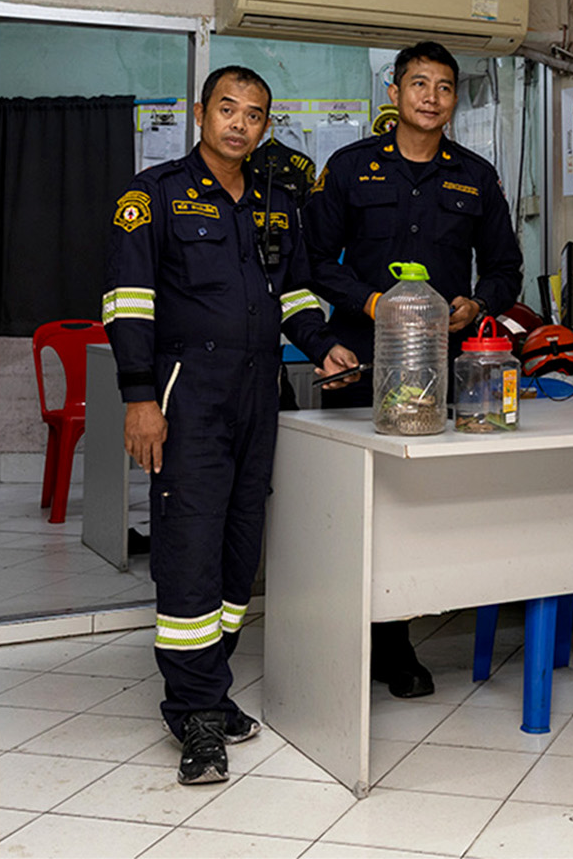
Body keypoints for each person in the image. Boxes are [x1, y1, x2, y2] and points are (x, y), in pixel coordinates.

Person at [102, 66, 357, 785]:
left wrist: (322, 345)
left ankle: (203, 687)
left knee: (241, 549)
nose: (239, 123)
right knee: (188, 549)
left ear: (266, 126)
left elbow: (298, 289)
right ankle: (197, 713)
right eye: (227, 109)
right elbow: (128, 303)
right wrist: (139, 397)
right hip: (189, 392)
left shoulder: (279, 201)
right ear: (199, 112)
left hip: (259, 391)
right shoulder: (150, 196)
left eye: (253, 114)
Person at [303, 40, 525, 699]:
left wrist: (476, 303)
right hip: (360, 361)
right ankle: (352, 638)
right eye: (419, 84)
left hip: (444, 371)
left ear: (454, 100)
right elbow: (315, 260)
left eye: (445, 87)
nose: (431, 96)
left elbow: (507, 267)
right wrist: (371, 302)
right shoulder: (349, 168)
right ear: (394, 94)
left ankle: (396, 638)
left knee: (417, 508)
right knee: (356, 509)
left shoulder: (476, 177)